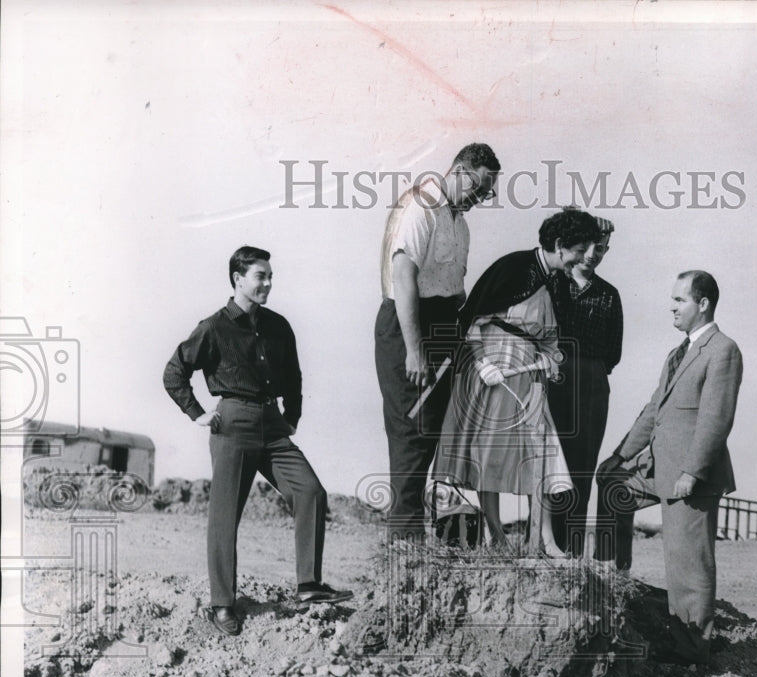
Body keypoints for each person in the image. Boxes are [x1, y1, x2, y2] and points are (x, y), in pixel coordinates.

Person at [163, 246, 352, 637]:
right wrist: (197, 413)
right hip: (232, 423)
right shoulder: (213, 327)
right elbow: (174, 372)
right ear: (238, 279)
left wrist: (292, 417)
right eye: (260, 276)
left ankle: (308, 586)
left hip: (273, 423)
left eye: (270, 276)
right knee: (225, 515)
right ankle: (222, 604)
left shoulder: (279, 325)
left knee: (311, 491)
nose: (267, 283)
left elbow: (295, 376)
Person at [433, 208, 605, 555]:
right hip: (493, 372)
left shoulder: (559, 282)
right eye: (580, 249)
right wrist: (482, 364)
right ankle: (496, 537)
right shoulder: (512, 267)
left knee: (539, 453)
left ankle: (541, 541)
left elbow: (552, 337)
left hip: (531, 376)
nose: (586, 258)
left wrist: (553, 360)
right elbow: (472, 322)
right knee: (490, 453)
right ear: (559, 245)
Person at [595, 270, 742, 664]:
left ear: (703, 304)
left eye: (680, 300)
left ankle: (692, 651)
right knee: (611, 487)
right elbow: (652, 411)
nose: (672, 307)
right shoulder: (677, 353)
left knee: (687, 565)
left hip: (689, 478)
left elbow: (716, 419)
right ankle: (613, 581)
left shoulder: (722, 350)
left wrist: (692, 473)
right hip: (656, 468)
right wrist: (620, 456)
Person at [374, 143, 501, 543]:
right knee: (412, 434)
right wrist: (414, 349)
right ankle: (405, 545)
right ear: (460, 170)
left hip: (444, 326)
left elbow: (453, 288)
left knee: (437, 435)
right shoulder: (421, 207)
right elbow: (404, 277)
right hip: (411, 326)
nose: (480, 199)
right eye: (478, 189)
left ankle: (440, 541)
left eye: (487, 194)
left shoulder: (459, 223)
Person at [544, 215, 623, 556]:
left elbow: (613, 352)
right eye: (587, 247)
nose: (593, 255)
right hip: (552, 380)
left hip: (591, 385)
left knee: (581, 468)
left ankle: (573, 551)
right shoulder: (552, 284)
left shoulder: (609, 294)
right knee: (551, 462)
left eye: (601, 249)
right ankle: (547, 545)